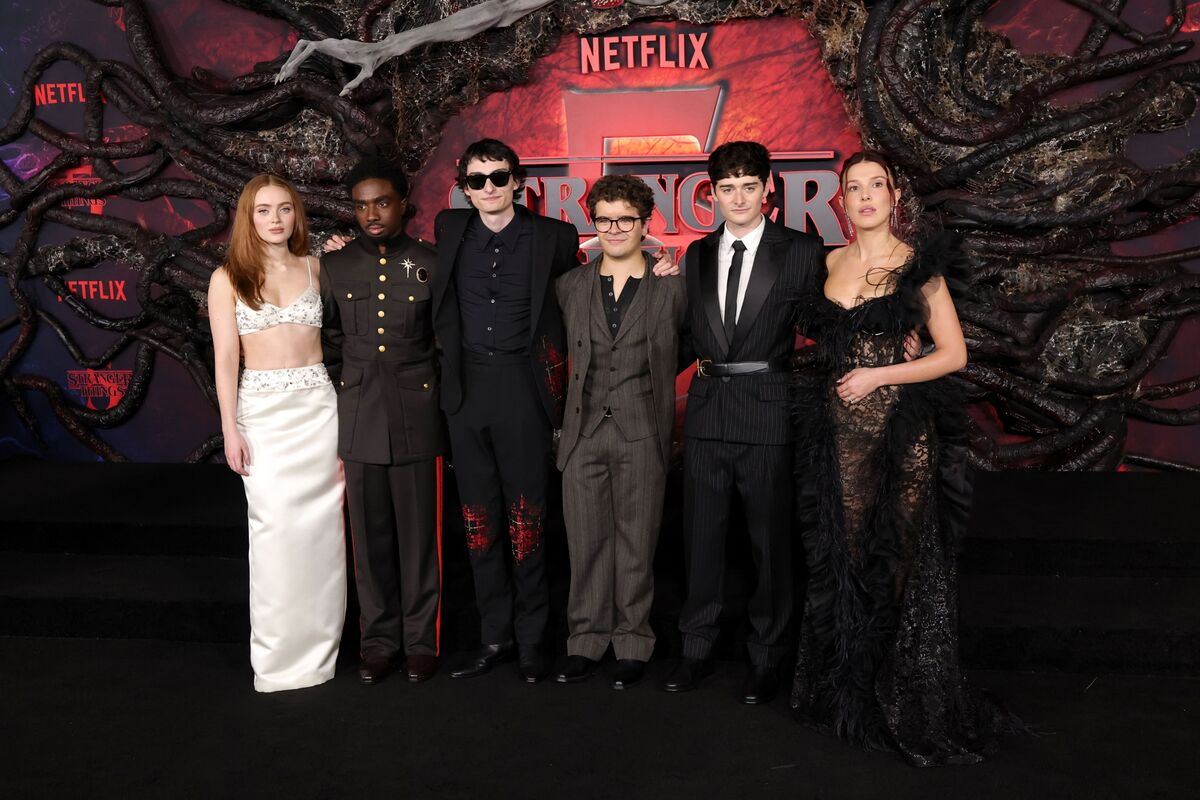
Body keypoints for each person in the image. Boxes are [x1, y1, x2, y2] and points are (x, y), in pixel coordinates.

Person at [790, 150, 1008, 765]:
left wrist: (882, 372)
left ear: (892, 197)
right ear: (841, 200)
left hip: (899, 433)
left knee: (896, 560)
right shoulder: (827, 262)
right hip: (837, 433)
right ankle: (848, 692)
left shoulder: (917, 268)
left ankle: (901, 697)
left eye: (875, 186)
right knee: (844, 556)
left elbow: (954, 354)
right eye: (853, 187)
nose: (865, 197)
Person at [664, 141, 824, 704]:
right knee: (700, 542)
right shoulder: (697, 254)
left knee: (770, 546)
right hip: (706, 411)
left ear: (767, 188)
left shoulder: (801, 250)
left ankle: (768, 656)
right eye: (726, 188)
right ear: (711, 193)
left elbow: (825, 326)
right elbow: (689, 337)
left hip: (768, 411)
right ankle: (695, 648)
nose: (738, 198)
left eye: (748, 187)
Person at [208, 173, 346, 693]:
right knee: (274, 537)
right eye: (263, 210)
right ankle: (278, 659)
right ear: (248, 217)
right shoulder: (228, 278)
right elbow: (226, 359)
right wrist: (229, 429)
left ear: (296, 215)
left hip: (318, 411)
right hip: (263, 416)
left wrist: (351, 255)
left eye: (284, 209)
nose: (275, 219)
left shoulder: (318, 267)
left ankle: (321, 655)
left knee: (323, 535)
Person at [553, 175, 687, 690]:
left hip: (642, 432)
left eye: (625, 219)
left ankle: (632, 641)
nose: (614, 229)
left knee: (636, 543)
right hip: (582, 433)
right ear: (593, 222)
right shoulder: (570, 286)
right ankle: (585, 640)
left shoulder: (671, 285)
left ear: (645, 223)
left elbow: (690, 344)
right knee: (585, 543)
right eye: (604, 219)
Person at [320, 159, 441, 685]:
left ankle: (421, 642)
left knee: (420, 540)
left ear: (403, 205)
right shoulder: (335, 267)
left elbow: (443, 342)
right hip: (359, 417)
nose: (372, 213)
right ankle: (378, 642)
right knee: (368, 544)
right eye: (362, 205)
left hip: (418, 416)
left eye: (383, 202)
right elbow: (328, 341)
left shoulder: (432, 263)